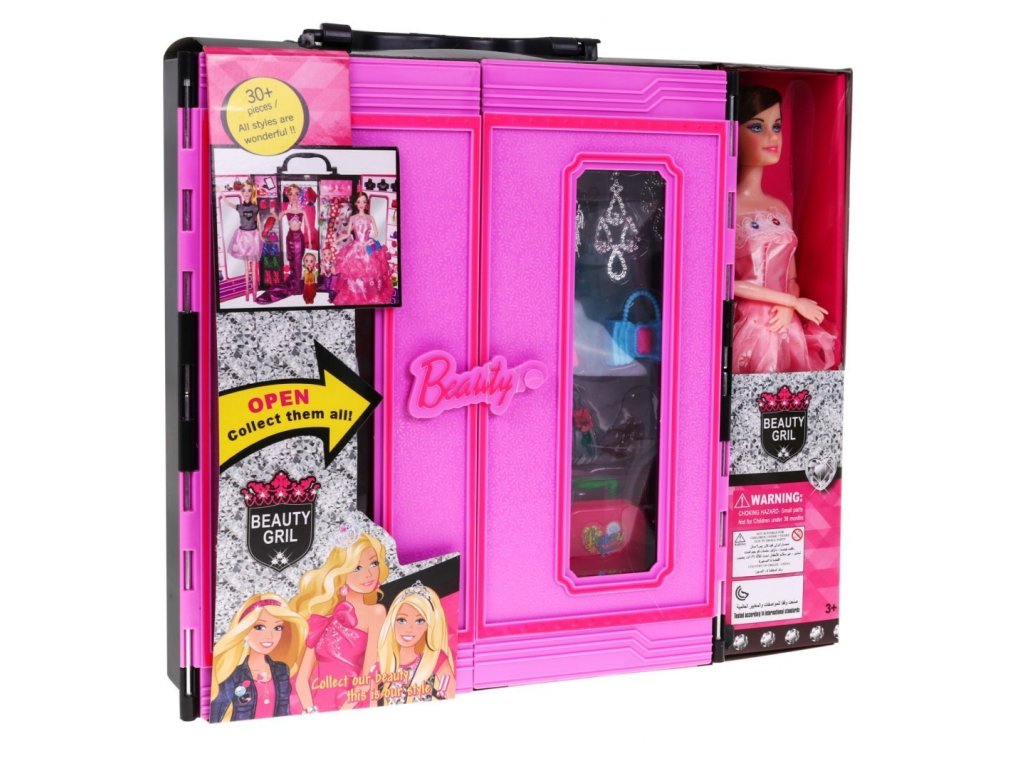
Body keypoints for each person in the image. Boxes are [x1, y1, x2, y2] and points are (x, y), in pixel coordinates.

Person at [733, 85, 837, 374]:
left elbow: (791, 276)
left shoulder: (779, 208)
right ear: (733, 132)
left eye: (777, 127)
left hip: (786, 321)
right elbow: (727, 283)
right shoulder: (727, 207)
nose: (772, 137)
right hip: (752, 323)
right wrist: (791, 301)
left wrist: (790, 304)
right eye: (757, 127)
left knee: (787, 391)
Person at [289, 532, 389, 713]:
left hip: (353, 705)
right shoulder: (322, 619)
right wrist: (310, 710)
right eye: (357, 568)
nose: (368, 574)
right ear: (341, 573)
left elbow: (369, 676)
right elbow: (302, 680)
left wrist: (343, 712)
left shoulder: (375, 613)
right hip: (316, 707)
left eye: (373, 564)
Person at [209, 594, 307, 722]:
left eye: (278, 628)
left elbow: (284, 712)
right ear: (245, 630)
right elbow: (214, 717)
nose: (270, 636)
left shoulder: (282, 670)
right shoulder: (233, 676)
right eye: (259, 627)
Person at [371, 582, 455, 705]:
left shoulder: (434, 658)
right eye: (401, 620)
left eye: (419, 621)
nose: (409, 629)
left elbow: (452, 694)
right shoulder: (382, 663)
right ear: (391, 621)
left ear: (428, 625)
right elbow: (369, 703)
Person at [331, 192, 395, 306]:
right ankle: (357, 295)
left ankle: (369, 295)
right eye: (359, 202)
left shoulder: (370, 217)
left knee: (370, 272)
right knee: (354, 273)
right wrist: (336, 240)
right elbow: (347, 234)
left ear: (366, 204)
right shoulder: (353, 218)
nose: (361, 204)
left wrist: (370, 241)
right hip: (355, 248)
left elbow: (376, 232)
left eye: (364, 202)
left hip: (367, 246)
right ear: (355, 203)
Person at [220, 179, 262, 302]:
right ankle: (247, 290)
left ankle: (254, 291)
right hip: (243, 236)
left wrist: (261, 235)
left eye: (249, 190)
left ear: (252, 192)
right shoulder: (240, 207)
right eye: (244, 191)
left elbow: (259, 223)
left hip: (253, 236)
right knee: (245, 266)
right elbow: (228, 202)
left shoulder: (255, 207)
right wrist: (220, 192)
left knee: (253, 266)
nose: (246, 193)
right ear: (241, 192)